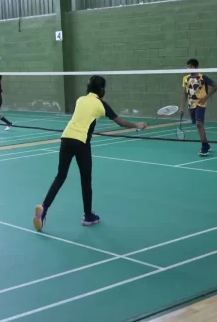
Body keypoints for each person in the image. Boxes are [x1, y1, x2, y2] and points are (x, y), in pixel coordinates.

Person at [33, 75, 147, 230]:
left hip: (66, 137)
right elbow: (120, 122)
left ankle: (44, 207)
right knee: (86, 180)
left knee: (60, 176)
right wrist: (137, 125)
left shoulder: (80, 99)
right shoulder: (101, 105)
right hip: (81, 142)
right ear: (101, 89)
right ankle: (88, 216)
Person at [180, 59, 217, 157]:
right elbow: (184, 93)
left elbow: (216, 86)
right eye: (188, 67)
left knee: (199, 124)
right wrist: (182, 107)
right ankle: (206, 144)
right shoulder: (185, 78)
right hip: (191, 104)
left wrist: (206, 97)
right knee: (197, 124)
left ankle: (204, 147)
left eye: (191, 66)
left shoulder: (203, 77)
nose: (189, 68)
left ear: (196, 67)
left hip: (201, 104)